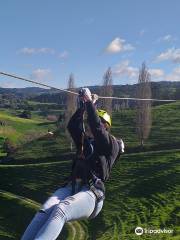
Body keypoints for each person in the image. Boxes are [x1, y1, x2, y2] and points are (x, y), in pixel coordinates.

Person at [21, 88, 124, 240]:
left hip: (92, 193)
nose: (89, 127)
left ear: (106, 128)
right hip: (72, 187)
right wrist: (83, 106)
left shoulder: (111, 144)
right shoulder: (85, 142)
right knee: (43, 211)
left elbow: (96, 127)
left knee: (61, 210)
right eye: (87, 125)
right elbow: (73, 126)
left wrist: (89, 102)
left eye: (98, 125)